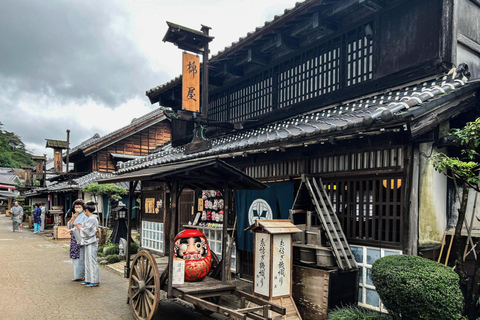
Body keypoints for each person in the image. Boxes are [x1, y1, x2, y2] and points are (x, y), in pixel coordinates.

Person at [76, 200, 99, 287]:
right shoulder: (90, 219)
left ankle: (94, 280)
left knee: (92, 261)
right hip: (88, 242)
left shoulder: (92, 219)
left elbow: (87, 231)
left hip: (91, 241)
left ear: (86, 210)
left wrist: (80, 228)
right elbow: (84, 227)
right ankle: (88, 279)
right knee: (87, 261)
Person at [64, 199, 87, 282]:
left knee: (81, 257)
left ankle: (81, 275)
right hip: (74, 239)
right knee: (75, 257)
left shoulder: (85, 216)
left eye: (79, 207)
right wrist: (72, 219)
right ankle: (77, 274)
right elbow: (69, 227)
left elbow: (84, 228)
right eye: (76, 207)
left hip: (80, 239)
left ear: (83, 208)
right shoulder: (74, 216)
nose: (77, 208)